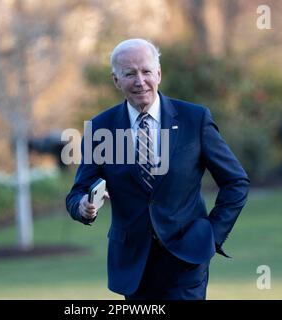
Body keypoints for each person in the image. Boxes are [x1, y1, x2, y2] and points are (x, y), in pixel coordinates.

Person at [66, 38, 249, 300]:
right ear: (116, 81)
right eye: (129, 74)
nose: (140, 81)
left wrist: (212, 234)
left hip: (187, 258)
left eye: (146, 71)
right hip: (133, 263)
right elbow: (77, 192)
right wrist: (83, 206)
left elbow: (236, 182)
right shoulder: (100, 129)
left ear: (159, 74)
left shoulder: (194, 119)